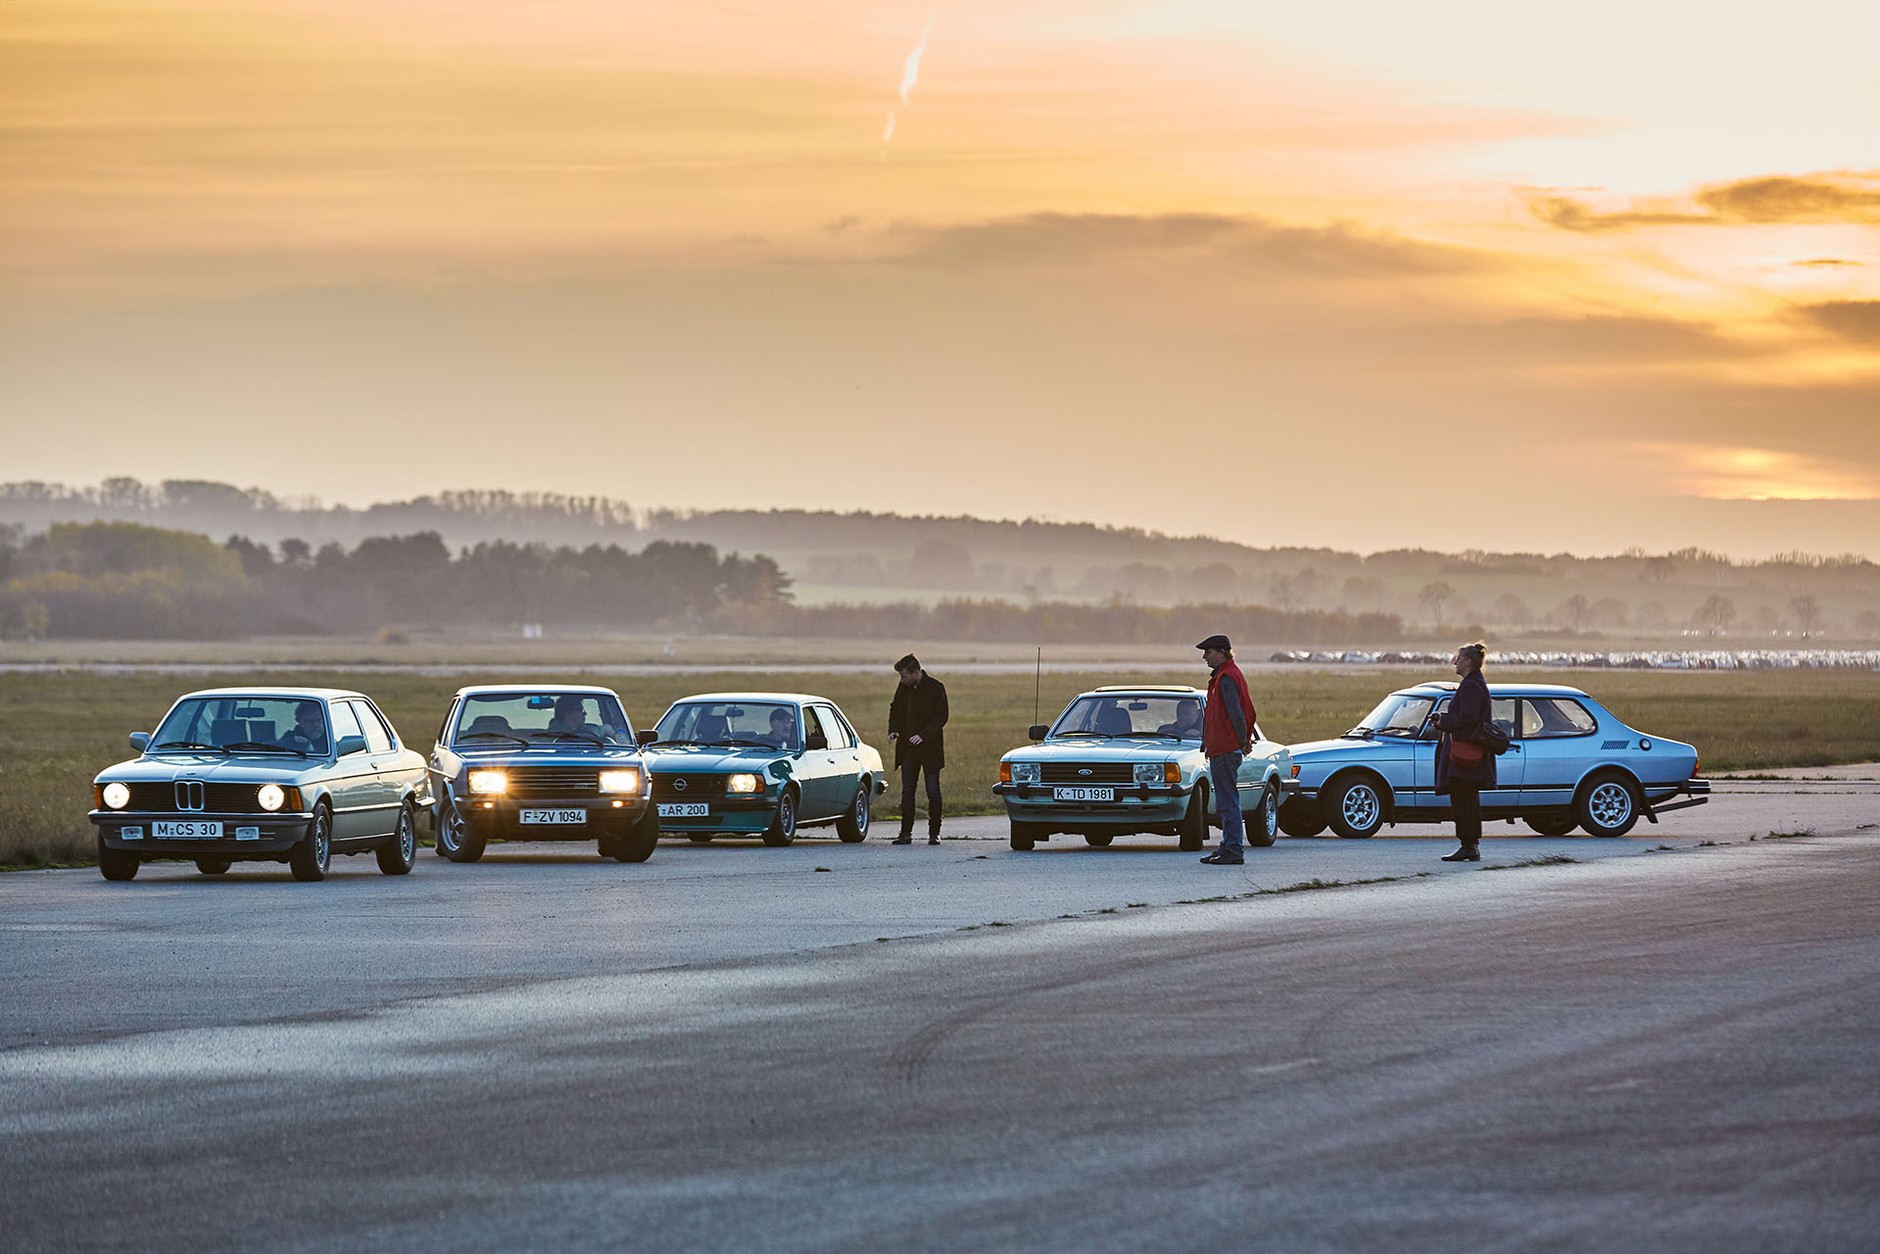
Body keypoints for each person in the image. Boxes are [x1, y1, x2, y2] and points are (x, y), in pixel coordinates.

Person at [1196, 634, 1256, 865]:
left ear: (1222, 652)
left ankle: (1233, 850)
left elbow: (1236, 713)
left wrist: (1241, 742)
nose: (1205, 657)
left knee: (1228, 801)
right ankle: (1227, 845)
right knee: (1225, 800)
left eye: (1208, 652)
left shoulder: (1227, 678)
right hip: (1222, 747)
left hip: (1225, 748)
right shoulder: (1224, 676)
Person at [1433, 641, 1496, 862]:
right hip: (1468, 752)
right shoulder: (1474, 683)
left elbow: (1468, 717)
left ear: (1468, 662)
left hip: (1465, 754)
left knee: (1464, 799)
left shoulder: (1471, 686)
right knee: (1466, 798)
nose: (1455, 663)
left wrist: (1444, 722)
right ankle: (1469, 845)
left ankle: (1469, 845)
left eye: (1458, 659)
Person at [887, 654, 948, 845]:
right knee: (907, 792)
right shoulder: (903, 688)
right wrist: (893, 729)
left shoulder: (936, 688)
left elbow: (941, 717)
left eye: (904, 676)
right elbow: (895, 708)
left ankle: (934, 833)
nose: (901, 680)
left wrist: (923, 735)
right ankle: (905, 833)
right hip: (908, 749)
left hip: (930, 749)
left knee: (933, 791)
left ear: (915, 673)